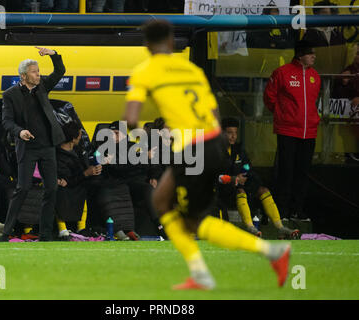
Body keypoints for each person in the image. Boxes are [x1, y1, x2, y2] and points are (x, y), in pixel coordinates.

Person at [124, 20, 291, 290]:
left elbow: (131, 119)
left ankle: (270, 252)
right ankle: (199, 272)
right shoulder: (192, 69)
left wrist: (139, 138)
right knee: (162, 201)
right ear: (170, 43)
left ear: (146, 45)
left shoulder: (145, 70)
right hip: (214, 143)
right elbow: (213, 113)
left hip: (193, 147)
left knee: (191, 221)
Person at [0, 46, 66, 242]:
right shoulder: (10, 95)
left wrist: (53, 54)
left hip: (48, 146)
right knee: (23, 188)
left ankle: (45, 234)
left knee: (52, 188)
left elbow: (60, 71)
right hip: (27, 148)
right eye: (35, 72)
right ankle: (6, 232)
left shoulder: (43, 85)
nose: (39, 75)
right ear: (23, 76)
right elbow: (7, 121)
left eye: (38, 71)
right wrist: (20, 131)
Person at [264, 40, 321, 222]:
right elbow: (269, 97)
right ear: (300, 55)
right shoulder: (282, 73)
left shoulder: (315, 76)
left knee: (302, 173)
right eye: (310, 53)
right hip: (287, 130)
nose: (314, 56)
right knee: (286, 171)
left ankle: (297, 210)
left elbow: (314, 101)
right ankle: (282, 210)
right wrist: (283, 115)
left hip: (309, 132)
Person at [218, 117, 300, 239]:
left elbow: (247, 166)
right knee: (241, 191)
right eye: (230, 133)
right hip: (224, 190)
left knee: (263, 190)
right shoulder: (216, 151)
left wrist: (245, 175)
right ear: (222, 133)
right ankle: (251, 228)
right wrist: (234, 178)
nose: (233, 136)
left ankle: (280, 227)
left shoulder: (239, 150)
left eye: (235, 133)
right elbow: (216, 176)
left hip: (241, 184)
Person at [56, 121, 102, 240]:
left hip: (78, 181)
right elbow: (66, 179)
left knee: (97, 184)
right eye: (80, 134)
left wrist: (94, 169)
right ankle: (62, 229)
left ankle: (82, 227)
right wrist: (86, 173)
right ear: (73, 138)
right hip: (65, 185)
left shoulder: (78, 150)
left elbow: (83, 169)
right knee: (60, 189)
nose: (81, 137)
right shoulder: (58, 154)